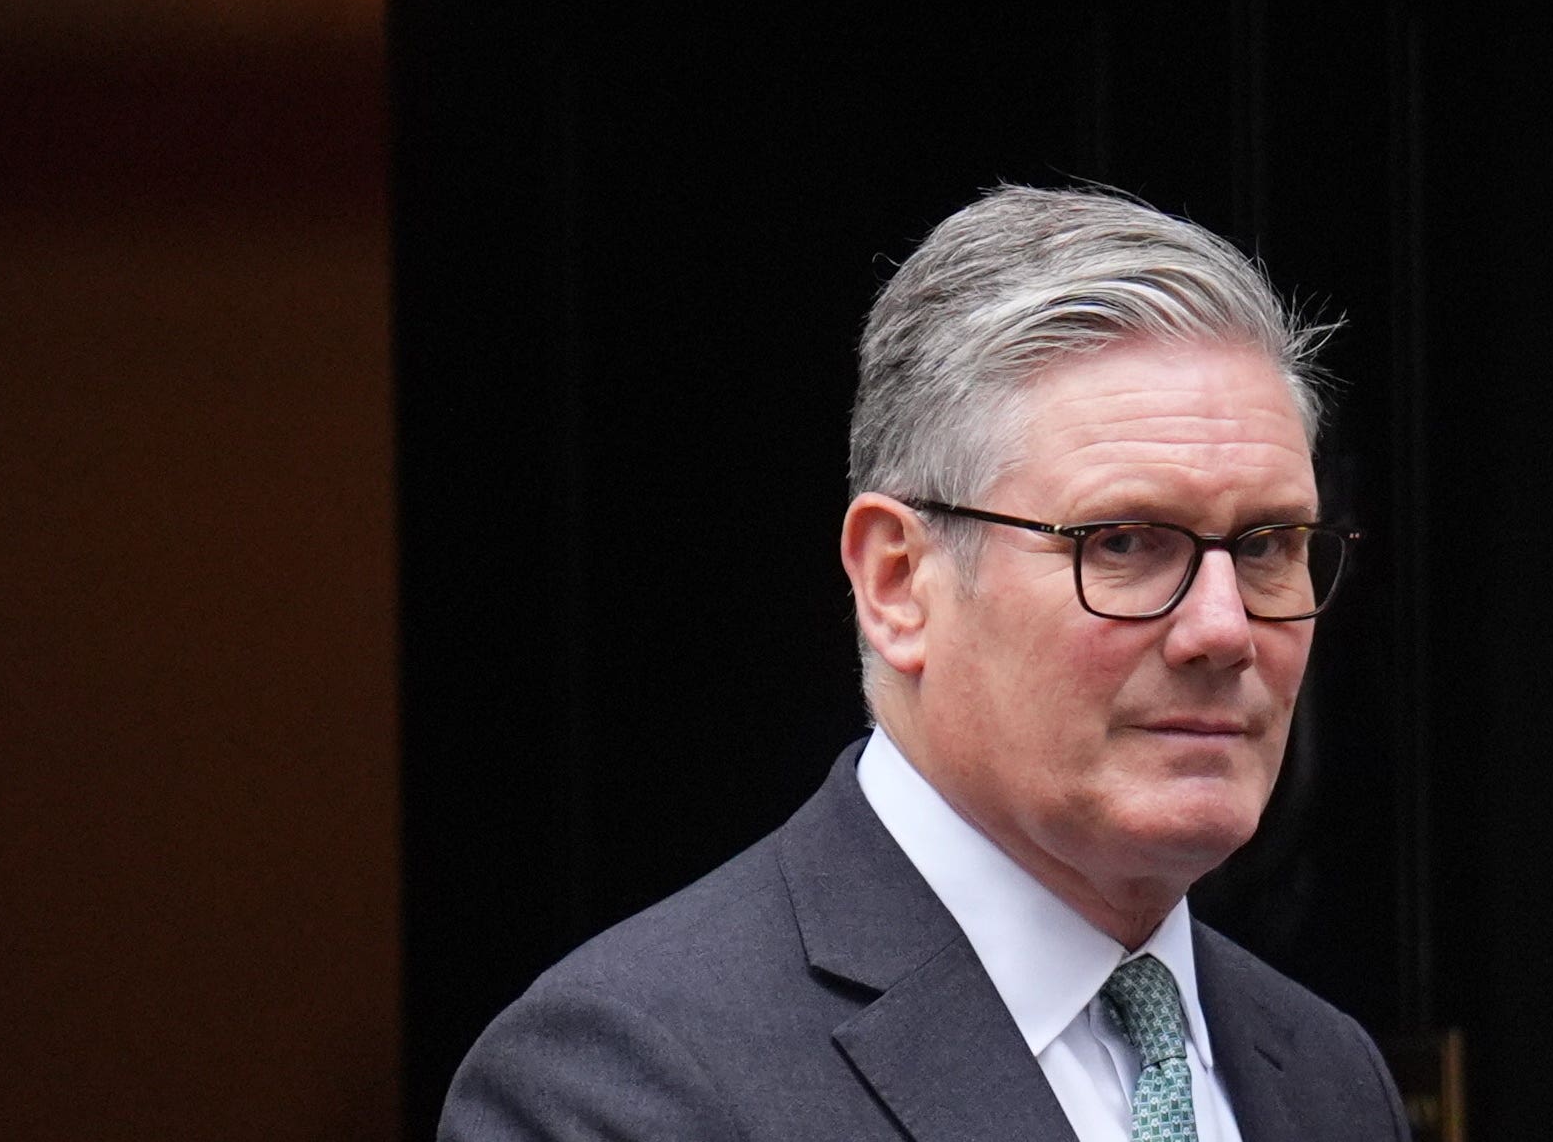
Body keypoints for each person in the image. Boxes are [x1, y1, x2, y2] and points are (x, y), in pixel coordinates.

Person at [439, 184, 1409, 1141]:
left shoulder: (1326, 1076)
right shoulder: (623, 1082)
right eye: (1121, 542)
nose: (1223, 629)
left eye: (1265, 546)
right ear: (899, 583)